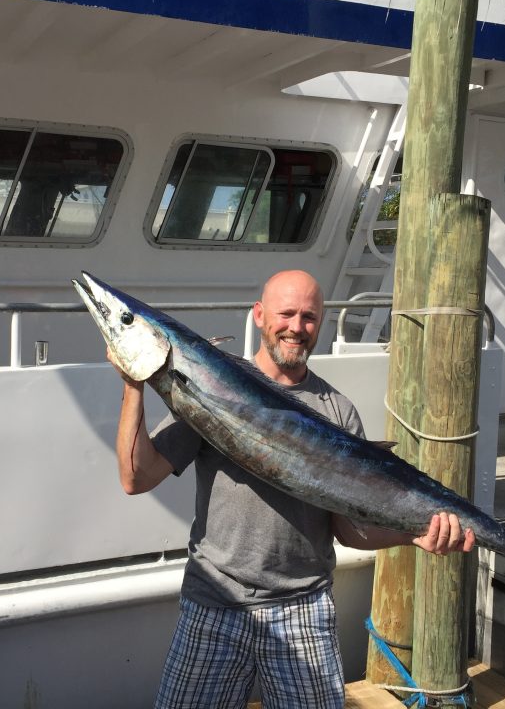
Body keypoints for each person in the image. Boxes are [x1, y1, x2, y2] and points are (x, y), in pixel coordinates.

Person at [108, 269, 475, 709]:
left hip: (304, 609)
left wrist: (416, 534)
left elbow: (348, 532)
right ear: (260, 316)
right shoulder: (211, 382)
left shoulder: (337, 410)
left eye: (309, 317)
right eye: (286, 314)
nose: (296, 328)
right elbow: (136, 477)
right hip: (215, 600)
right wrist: (134, 385)